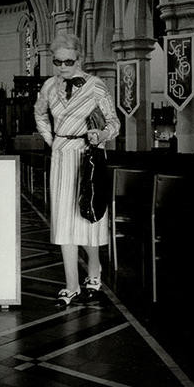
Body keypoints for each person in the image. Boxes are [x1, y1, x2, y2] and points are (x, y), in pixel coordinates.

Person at [34, 33, 120, 307]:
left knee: (86, 219)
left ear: (79, 59)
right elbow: (39, 114)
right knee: (63, 222)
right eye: (57, 61)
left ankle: (94, 271)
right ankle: (71, 286)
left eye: (68, 61)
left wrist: (101, 135)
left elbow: (113, 122)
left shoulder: (96, 86)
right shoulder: (49, 87)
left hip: (87, 157)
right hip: (61, 156)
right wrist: (52, 139)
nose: (62, 67)